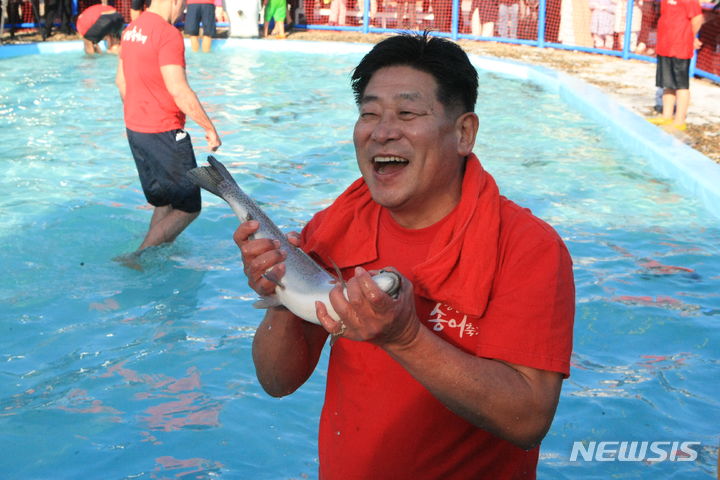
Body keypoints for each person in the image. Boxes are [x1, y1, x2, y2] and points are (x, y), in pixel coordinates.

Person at [234, 33, 575, 479]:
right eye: (369, 113)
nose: (382, 131)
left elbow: (529, 420)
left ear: (463, 133)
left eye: (407, 113)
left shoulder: (528, 247)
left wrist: (405, 338)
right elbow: (277, 381)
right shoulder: (336, 227)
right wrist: (283, 288)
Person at [115, 0, 221, 260]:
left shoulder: (131, 29)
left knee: (165, 201)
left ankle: (155, 250)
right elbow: (179, 89)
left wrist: (137, 115)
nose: (184, 9)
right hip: (164, 131)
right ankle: (138, 256)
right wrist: (209, 128)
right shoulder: (167, 34)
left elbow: (120, 81)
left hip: (136, 129)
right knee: (189, 207)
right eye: (183, 3)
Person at [646, 0, 703, 132]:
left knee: (681, 85)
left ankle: (679, 120)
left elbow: (697, 18)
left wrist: (690, 36)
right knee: (667, 83)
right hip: (665, 46)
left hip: (680, 47)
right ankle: (667, 116)